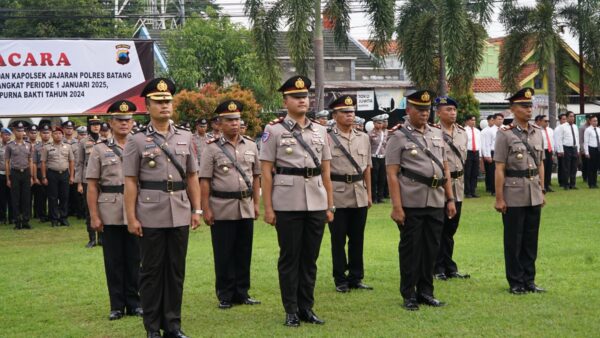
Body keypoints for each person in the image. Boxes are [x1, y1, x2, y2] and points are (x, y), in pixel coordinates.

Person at [123, 78, 201, 338]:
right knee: (152, 271)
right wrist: (131, 217)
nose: (165, 105)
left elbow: (192, 176)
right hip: (150, 212)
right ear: (148, 106)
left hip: (179, 209)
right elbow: (131, 181)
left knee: (176, 270)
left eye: (168, 101)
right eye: (159, 102)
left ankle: (173, 325)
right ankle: (152, 326)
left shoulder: (186, 136)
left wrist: (196, 210)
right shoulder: (137, 140)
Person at [259, 75, 334, 327]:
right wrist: (268, 207)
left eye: (305, 96)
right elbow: (267, 172)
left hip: (316, 200)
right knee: (290, 258)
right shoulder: (274, 130)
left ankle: (307, 307)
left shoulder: (321, 130)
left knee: (310, 259)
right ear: (285, 100)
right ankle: (290, 309)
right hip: (287, 202)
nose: (302, 100)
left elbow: (326, 172)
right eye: (297, 97)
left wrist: (329, 204)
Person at [386, 90, 456, 311]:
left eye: (427, 110)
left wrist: (450, 198)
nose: (424, 114)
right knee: (411, 250)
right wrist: (397, 206)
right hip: (411, 201)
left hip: (435, 200)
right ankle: (409, 295)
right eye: (419, 110)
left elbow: (445, 167)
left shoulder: (436, 134)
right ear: (409, 110)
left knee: (431, 249)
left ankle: (426, 292)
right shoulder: (398, 136)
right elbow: (392, 173)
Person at [199, 100, 261, 309]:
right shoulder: (212, 149)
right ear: (219, 124)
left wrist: (256, 204)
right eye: (229, 120)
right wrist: (205, 209)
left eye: (237, 120)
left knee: (244, 252)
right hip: (222, 206)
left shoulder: (251, 145)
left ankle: (242, 292)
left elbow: (256, 176)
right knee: (224, 253)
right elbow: (205, 180)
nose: (234, 124)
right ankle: (225, 294)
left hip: (245, 204)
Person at [86, 101, 142, 321]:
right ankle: (117, 305)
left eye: (127, 120)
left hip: (135, 209)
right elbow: (92, 185)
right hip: (109, 208)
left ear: (133, 122)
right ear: (111, 122)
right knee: (113, 260)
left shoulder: (141, 145)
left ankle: (135, 303)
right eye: (119, 120)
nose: (124, 124)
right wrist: (94, 215)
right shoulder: (100, 149)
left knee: (135, 258)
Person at [494, 87, 546, 295]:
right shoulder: (504, 134)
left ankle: (529, 280)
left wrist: (542, 189)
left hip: (533, 190)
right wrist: (499, 198)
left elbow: (540, 163)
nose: (528, 109)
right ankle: (515, 281)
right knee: (514, 239)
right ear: (513, 109)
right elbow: (499, 167)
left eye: (530, 105)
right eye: (524, 106)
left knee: (530, 239)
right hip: (513, 192)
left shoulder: (537, 132)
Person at [326, 95, 373, 293]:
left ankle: (356, 277)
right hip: (337, 193)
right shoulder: (327, 138)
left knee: (357, 238)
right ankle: (340, 279)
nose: (349, 115)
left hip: (359, 193)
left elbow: (367, 168)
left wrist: (369, 193)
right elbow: (324, 171)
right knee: (338, 239)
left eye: (352, 112)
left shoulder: (363, 137)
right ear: (335, 115)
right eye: (345, 112)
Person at [433, 96, 470, 280]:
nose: (452, 113)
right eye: (448, 109)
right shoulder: (433, 132)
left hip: (458, 185)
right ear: (438, 112)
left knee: (451, 228)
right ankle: (437, 267)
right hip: (440, 186)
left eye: (454, 110)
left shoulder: (462, 133)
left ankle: (449, 266)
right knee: (438, 227)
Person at [41, 126, 75, 227]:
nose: (58, 135)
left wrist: (72, 176)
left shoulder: (68, 147)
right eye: (55, 133)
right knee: (53, 197)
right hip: (52, 174)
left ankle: (63, 218)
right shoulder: (47, 147)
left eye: (60, 133)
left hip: (64, 174)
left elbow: (71, 161)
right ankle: (54, 219)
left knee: (64, 197)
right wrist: (44, 177)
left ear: (62, 135)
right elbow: (43, 163)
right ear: (52, 135)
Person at [77, 116, 103, 247]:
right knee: (89, 209)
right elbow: (80, 163)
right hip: (88, 180)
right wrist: (79, 183)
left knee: (103, 208)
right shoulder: (83, 142)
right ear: (89, 126)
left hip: (103, 179)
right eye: (93, 124)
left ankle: (102, 238)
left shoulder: (106, 140)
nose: (96, 126)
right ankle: (92, 238)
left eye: (98, 124)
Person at [5, 121, 34, 230]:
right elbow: (7, 162)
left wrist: (31, 176)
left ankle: (26, 221)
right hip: (15, 173)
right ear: (14, 132)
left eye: (22, 130)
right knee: (15, 198)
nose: (20, 133)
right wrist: (8, 178)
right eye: (18, 130)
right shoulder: (10, 146)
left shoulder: (28, 145)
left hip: (26, 172)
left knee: (26, 198)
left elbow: (30, 161)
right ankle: (17, 221)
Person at [555, 111, 579, 190]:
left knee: (574, 167)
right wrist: (561, 150)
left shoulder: (575, 126)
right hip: (566, 148)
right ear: (567, 117)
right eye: (571, 116)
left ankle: (573, 184)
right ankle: (566, 184)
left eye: (573, 116)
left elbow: (577, 138)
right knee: (566, 167)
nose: (572, 118)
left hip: (574, 148)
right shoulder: (563, 127)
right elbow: (559, 139)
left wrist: (577, 149)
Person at [32, 123, 51, 223]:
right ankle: (42, 216)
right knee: (40, 196)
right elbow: (34, 163)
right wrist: (35, 177)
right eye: (44, 133)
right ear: (40, 134)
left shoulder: (54, 145)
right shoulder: (36, 147)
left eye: (47, 133)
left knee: (52, 195)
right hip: (39, 172)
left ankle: (52, 215)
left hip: (51, 172)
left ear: (50, 134)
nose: (46, 135)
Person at [369, 114, 388, 203]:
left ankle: (380, 197)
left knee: (382, 178)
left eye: (381, 123)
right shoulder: (370, 133)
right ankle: (374, 197)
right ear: (374, 123)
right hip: (373, 157)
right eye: (378, 123)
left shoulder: (385, 132)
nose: (380, 125)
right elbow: (367, 148)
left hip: (382, 157)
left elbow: (385, 145)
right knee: (374, 179)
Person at [535, 115, 555, 192]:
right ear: (539, 121)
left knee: (549, 168)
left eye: (548, 121)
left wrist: (552, 151)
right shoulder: (536, 130)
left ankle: (547, 185)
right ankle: (540, 185)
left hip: (549, 150)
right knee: (541, 168)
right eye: (545, 121)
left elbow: (552, 141)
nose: (547, 123)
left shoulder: (550, 130)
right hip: (540, 151)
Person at [463, 115, 481, 198]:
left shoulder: (477, 131)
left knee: (475, 173)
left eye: (474, 120)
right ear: (467, 121)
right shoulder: (463, 130)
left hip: (476, 153)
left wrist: (480, 155)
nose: (473, 122)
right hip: (468, 153)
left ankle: (473, 191)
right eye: (471, 120)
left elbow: (479, 144)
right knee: (467, 173)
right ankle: (467, 192)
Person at [0, 127, 13, 225]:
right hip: (1, 174)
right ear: (1, 135)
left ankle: (11, 218)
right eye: (5, 134)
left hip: (12, 175)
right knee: (1, 198)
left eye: (8, 135)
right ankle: (2, 217)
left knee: (11, 197)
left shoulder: (13, 146)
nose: (6, 136)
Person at [583, 115, 600, 188]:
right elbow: (586, 142)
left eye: (596, 120)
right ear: (590, 121)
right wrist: (587, 152)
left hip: (598, 149)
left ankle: (595, 183)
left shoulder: (598, 129)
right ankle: (591, 183)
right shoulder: (588, 130)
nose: (595, 122)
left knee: (596, 167)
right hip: (591, 149)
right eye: (594, 121)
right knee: (591, 167)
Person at [555, 113, 567, 187]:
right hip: (560, 150)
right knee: (562, 166)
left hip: (565, 149)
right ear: (560, 120)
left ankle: (565, 180)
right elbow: (557, 140)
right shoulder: (558, 128)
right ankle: (561, 181)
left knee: (565, 166)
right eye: (563, 119)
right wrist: (559, 151)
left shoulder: (566, 127)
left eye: (566, 119)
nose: (565, 120)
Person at [579, 115, 591, 183]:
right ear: (587, 119)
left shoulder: (593, 127)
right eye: (589, 119)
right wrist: (582, 149)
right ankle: (585, 177)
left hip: (592, 147)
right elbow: (581, 139)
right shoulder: (582, 127)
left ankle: (590, 176)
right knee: (585, 164)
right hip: (584, 148)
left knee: (591, 163)